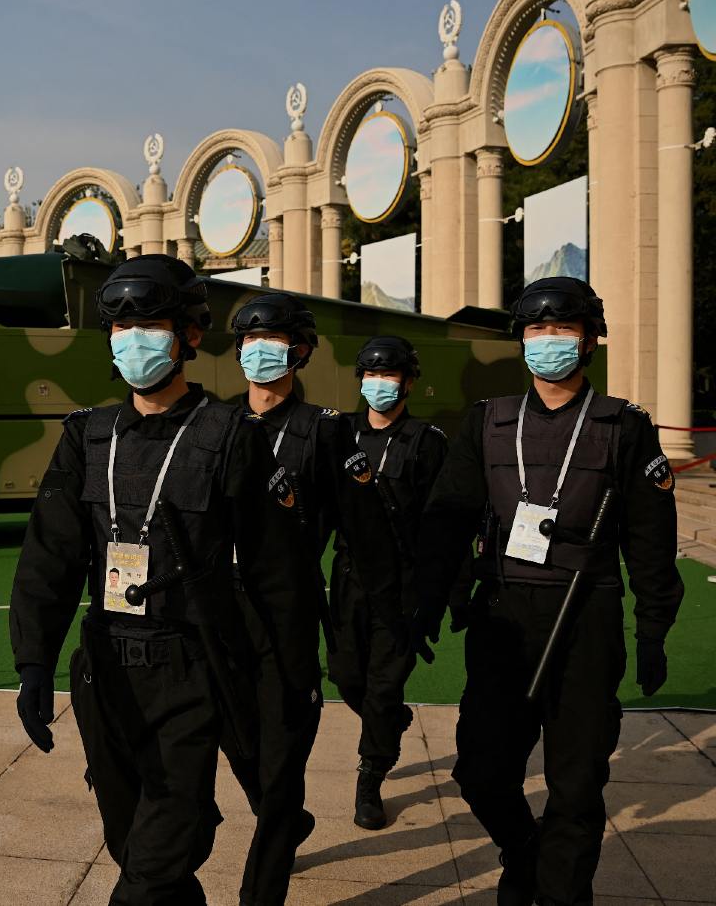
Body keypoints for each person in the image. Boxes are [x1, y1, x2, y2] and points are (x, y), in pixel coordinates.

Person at [10, 255, 305, 905]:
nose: (133, 339)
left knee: (150, 866)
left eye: (150, 323)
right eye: (121, 326)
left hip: (190, 668)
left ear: (191, 334)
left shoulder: (230, 436)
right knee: (138, 847)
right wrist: (34, 661)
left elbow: (275, 573)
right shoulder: (86, 437)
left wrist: (288, 685)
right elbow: (50, 557)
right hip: (105, 672)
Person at [415, 276, 683, 906]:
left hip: (585, 612)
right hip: (504, 615)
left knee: (576, 785)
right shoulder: (487, 420)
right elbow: (448, 518)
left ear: (589, 341)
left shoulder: (624, 425)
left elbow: (650, 537)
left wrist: (652, 627)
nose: (549, 340)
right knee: (481, 772)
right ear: (521, 340)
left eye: (564, 328)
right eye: (537, 328)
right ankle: (525, 850)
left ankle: (561, 892)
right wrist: (428, 600)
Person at [225, 293, 404, 904]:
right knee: (236, 741)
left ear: (299, 351)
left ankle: (264, 880)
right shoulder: (214, 423)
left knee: (280, 760)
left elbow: (367, 532)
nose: (259, 351)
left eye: (272, 340)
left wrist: (393, 615)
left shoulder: (327, 432)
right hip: (220, 616)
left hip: (290, 618)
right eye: (249, 340)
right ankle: (284, 816)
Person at [326, 336, 452, 830]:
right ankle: (390, 720)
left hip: (401, 583)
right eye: (371, 374)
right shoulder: (339, 434)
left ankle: (370, 777)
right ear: (360, 379)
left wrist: (440, 596)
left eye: (391, 374)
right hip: (349, 576)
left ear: (409, 382)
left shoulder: (426, 441)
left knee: (381, 688)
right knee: (346, 678)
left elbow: (442, 523)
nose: (380, 383)